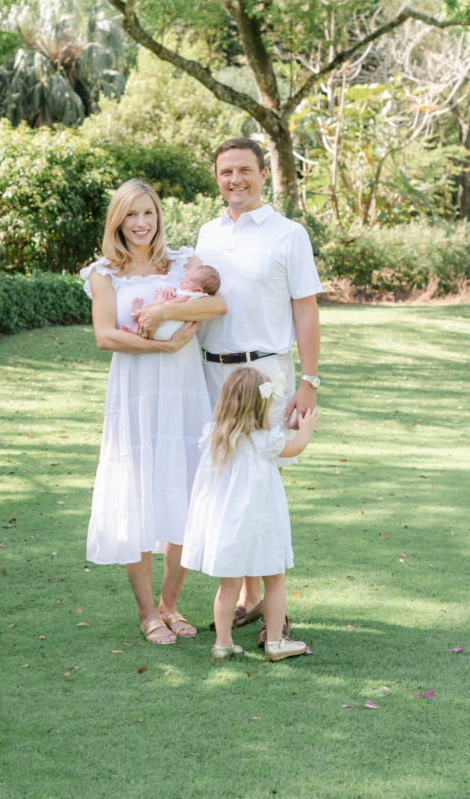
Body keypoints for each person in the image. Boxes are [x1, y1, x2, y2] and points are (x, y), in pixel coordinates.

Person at [136, 137, 322, 642]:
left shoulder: (290, 234)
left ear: (264, 173)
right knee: (225, 483)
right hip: (210, 374)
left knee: (262, 481)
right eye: (225, 172)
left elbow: (305, 308)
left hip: (266, 375)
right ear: (216, 178)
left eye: (244, 170)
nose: (234, 179)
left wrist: (308, 379)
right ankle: (248, 598)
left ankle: (274, 618)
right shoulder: (207, 234)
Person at [81, 179, 226, 644]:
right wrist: (161, 346)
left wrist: (165, 316)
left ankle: (170, 605)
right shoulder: (104, 273)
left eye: (149, 213)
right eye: (131, 215)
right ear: (117, 221)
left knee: (184, 490)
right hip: (136, 389)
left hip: (183, 390)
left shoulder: (184, 261)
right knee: (137, 493)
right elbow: (105, 336)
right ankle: (147, 612)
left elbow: (218, 303)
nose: (141, 223)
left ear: (158, 216)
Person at [182, 366, 319, 662]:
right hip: (262, 524)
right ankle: (274, 642)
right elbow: (296, 447)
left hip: (227, 526)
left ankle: (222, 644)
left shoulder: (214, 439)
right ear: (261, 405)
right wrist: (306, 429)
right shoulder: (265, 441)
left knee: (228, 586)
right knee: (275, 579)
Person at [123, 264, 221, 340]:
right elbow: (178, 294)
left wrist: (165, 301)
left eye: (187, 282)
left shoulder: (193, 295)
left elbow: (181, 300)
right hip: (165, 328)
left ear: (199, 290)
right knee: (157, 305)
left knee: (158, 303)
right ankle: (136, 329)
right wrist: (170, 289)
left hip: (165, 329)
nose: (182, 282)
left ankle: (137, 313)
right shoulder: (192, 292)